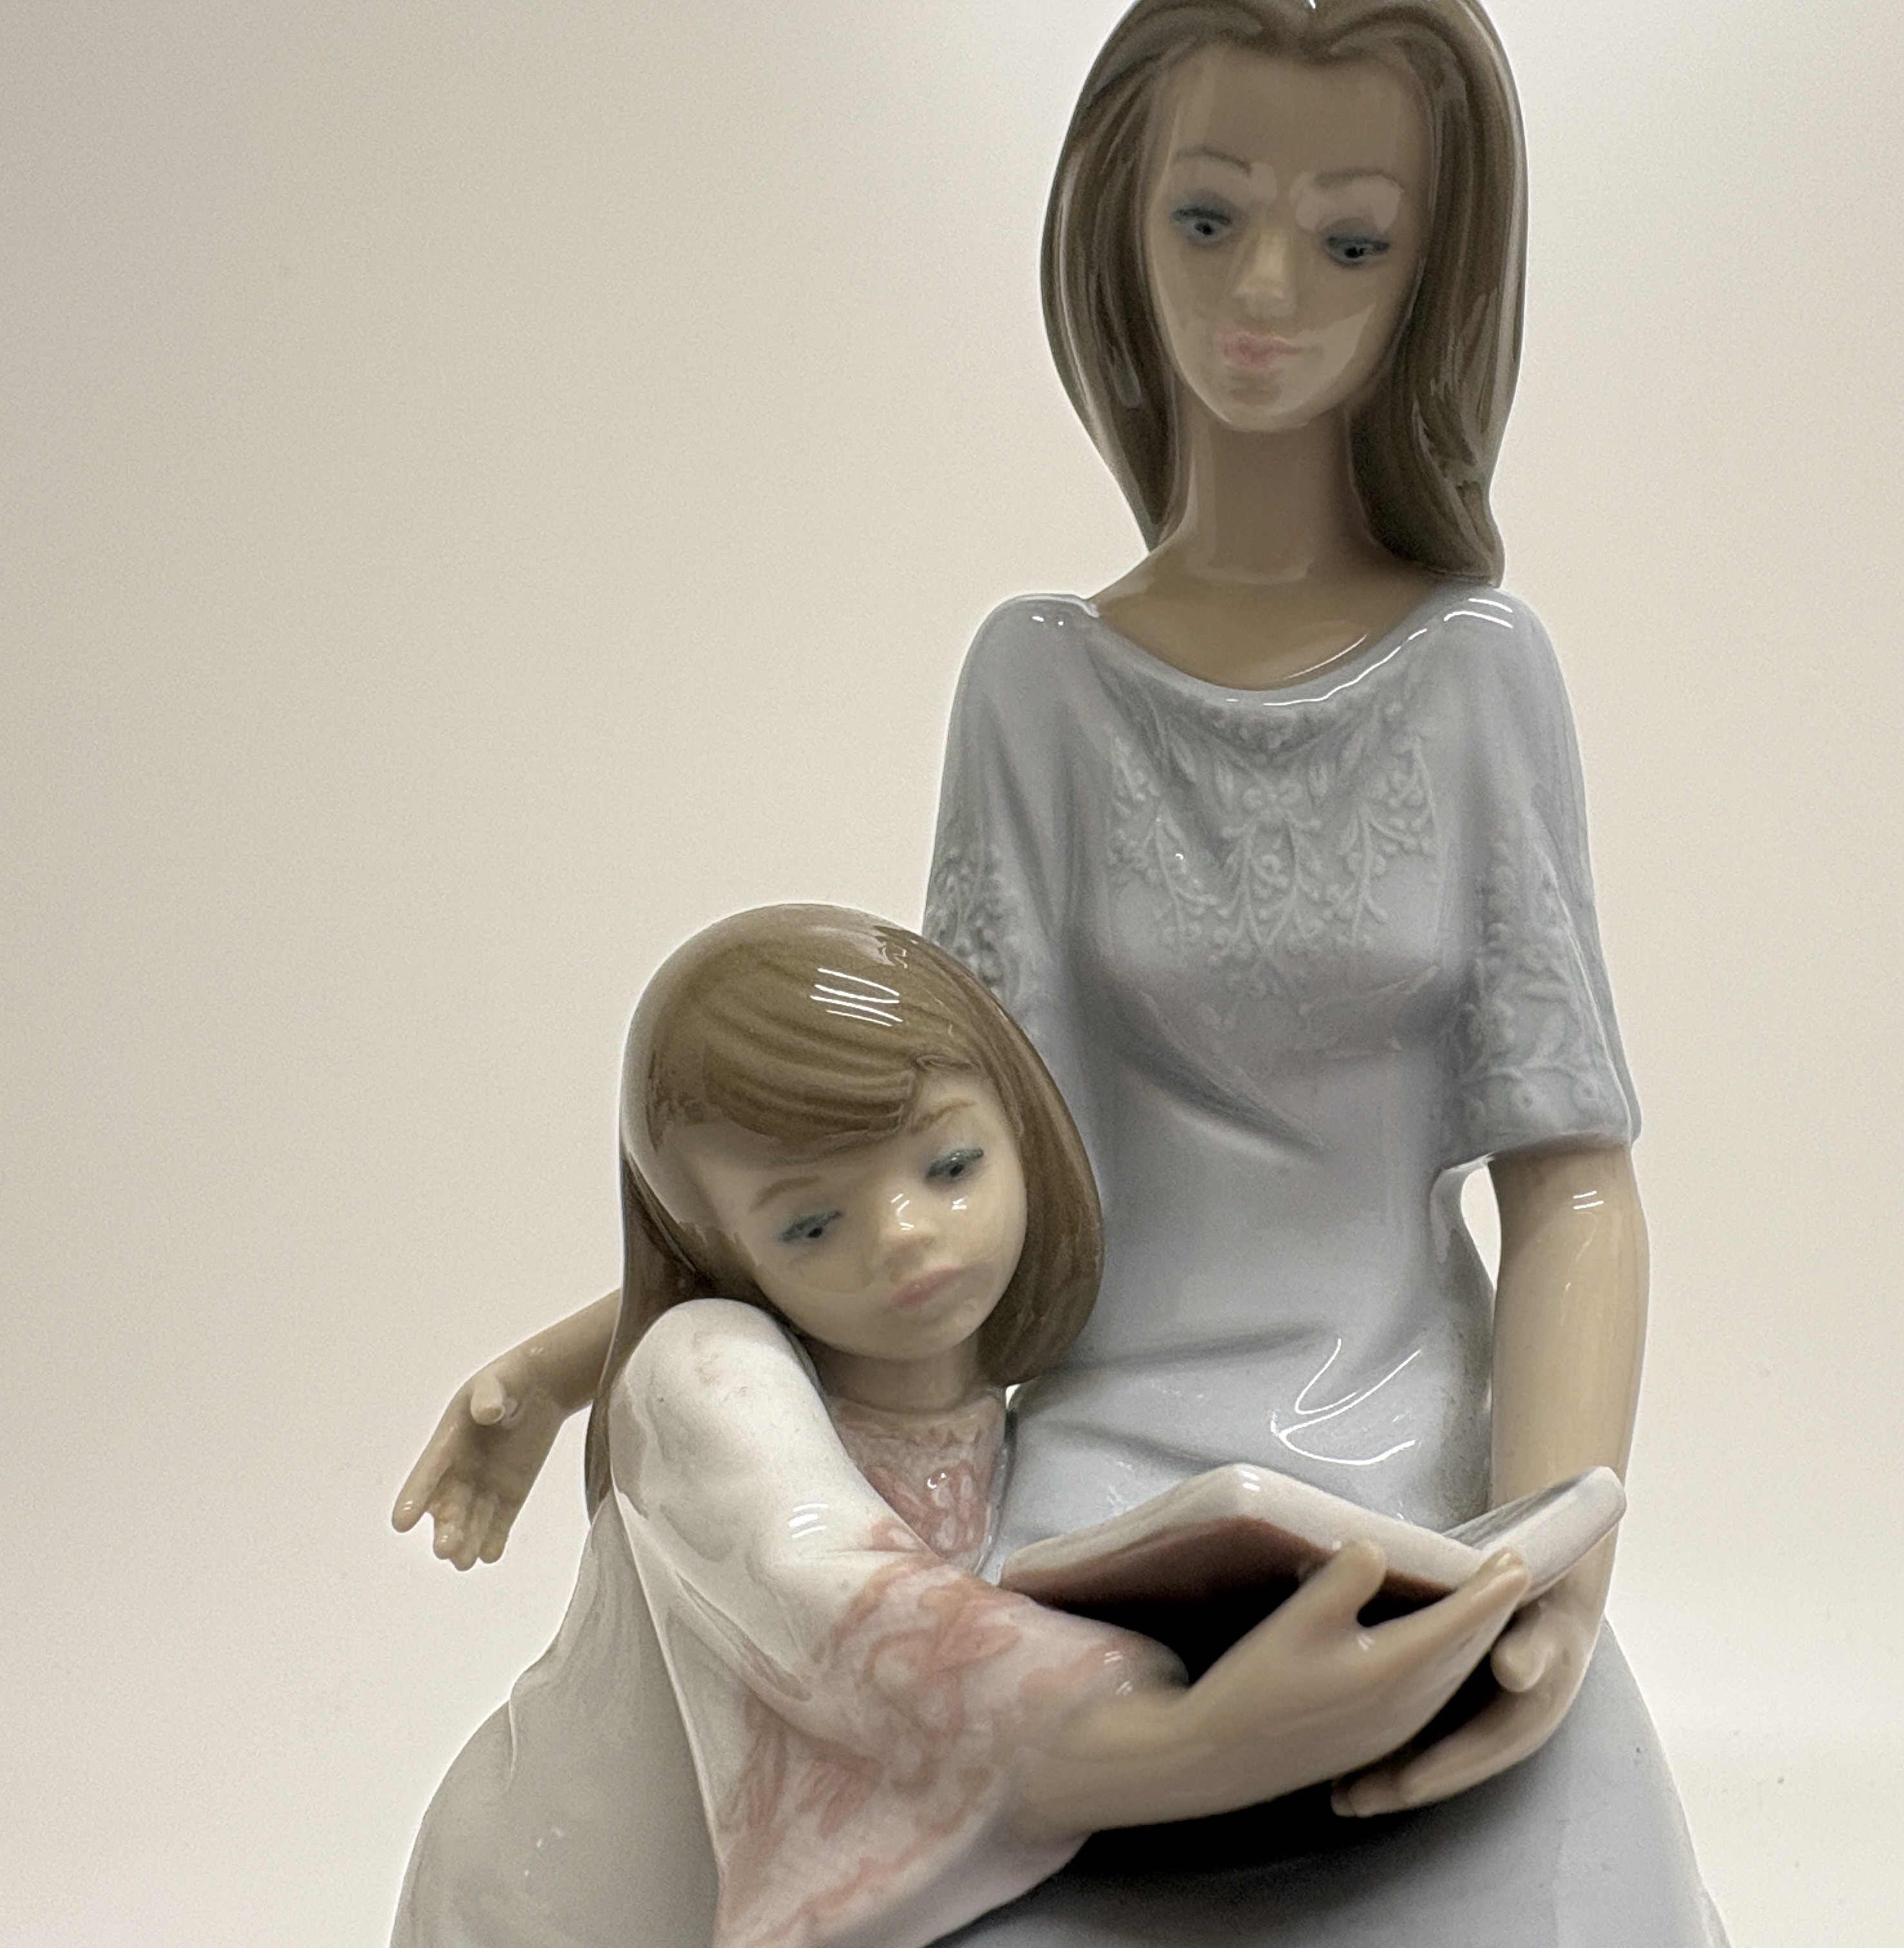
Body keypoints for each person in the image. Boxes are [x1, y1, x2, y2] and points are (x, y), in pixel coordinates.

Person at [398, 4, 1725, 1938]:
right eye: (1209, 218)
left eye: (1351, 238)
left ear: (1433, 274)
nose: (1265, 292)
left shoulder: (1482, 678)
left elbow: (1573, 1177)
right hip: (1101, 1468)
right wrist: (565, 1359)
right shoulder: (1036, 687)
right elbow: (927, 1145)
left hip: (1416, 1455)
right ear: (1119, 223)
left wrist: (1554, 1559)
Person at [392, 905, 1529, 1948]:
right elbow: (838, 1595)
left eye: (949, 1165)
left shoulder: (996, 1366)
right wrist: (1187, 1745)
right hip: (561, 1899)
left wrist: (541, 1377)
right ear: (724, 1253)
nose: (904, 1234)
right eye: (812, 1227)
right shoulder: (706, 1373)